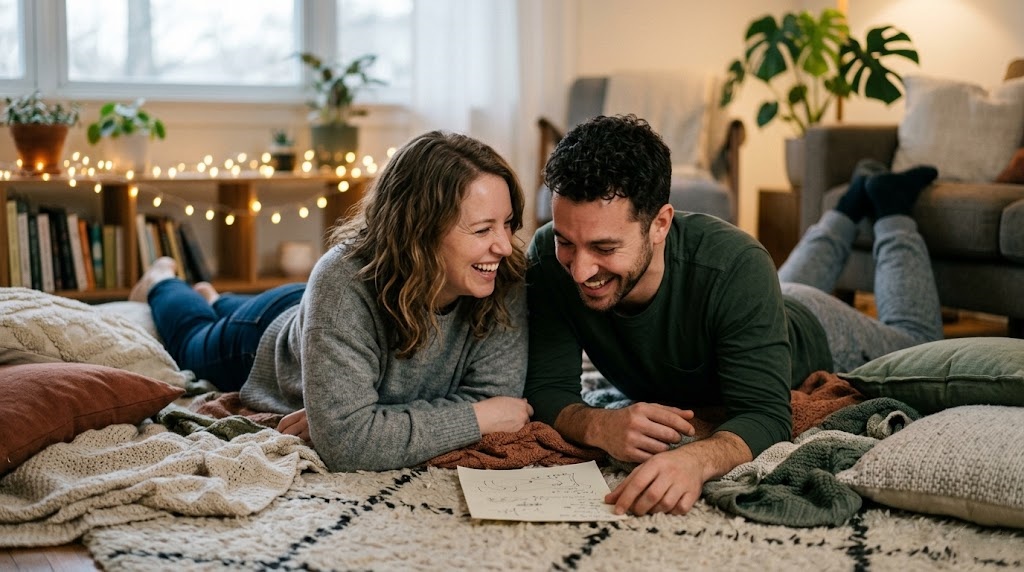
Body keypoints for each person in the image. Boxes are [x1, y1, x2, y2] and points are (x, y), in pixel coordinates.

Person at [524, 114, 942, 517]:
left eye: (605, 248)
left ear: (660, 224)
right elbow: (547, 388)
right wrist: (600, 426)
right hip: (750, 299)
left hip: (816, 328)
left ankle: (892, 209)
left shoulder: (737, 264)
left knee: (919, 339)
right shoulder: (547, 257)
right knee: (765, 281)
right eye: (567, 242)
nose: (579, 270)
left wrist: (696, 460)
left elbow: (767, 415)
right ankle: (848, 207)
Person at [131, 130, 533, 472]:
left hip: (319, 316)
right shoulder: (341, 280)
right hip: (265, 338)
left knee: (223, 306)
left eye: (507, 224)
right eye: (483, 229)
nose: (503, 245)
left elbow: (497, 401)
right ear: (420, 231)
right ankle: (162, 280)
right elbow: (350, 444)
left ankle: (214, 297)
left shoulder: (504, 275)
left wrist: (362, 423)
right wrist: (473, 418)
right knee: (192, 339)